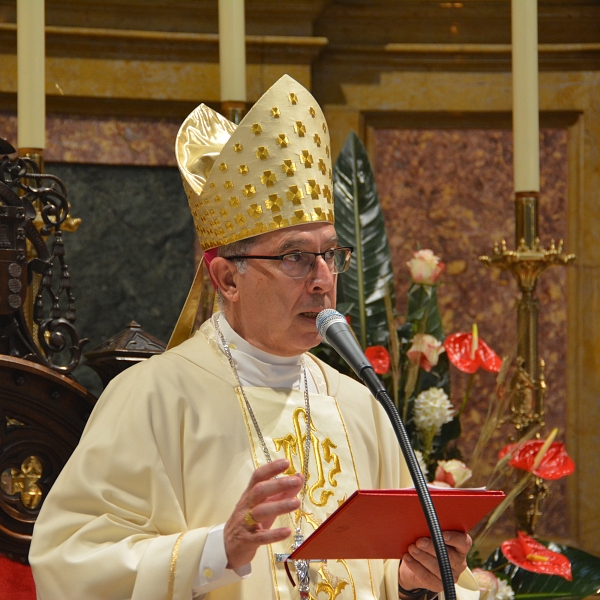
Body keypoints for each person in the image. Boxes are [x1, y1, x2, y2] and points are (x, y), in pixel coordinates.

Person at [29, 75, 478, 600]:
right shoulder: (152, 396)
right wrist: (218, 551)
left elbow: (393, 573)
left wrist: (414, 583)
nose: (321, 278)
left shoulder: (362, 405)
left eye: (330, 254)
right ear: (226, 279)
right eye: (294, 256)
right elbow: (71, 562)